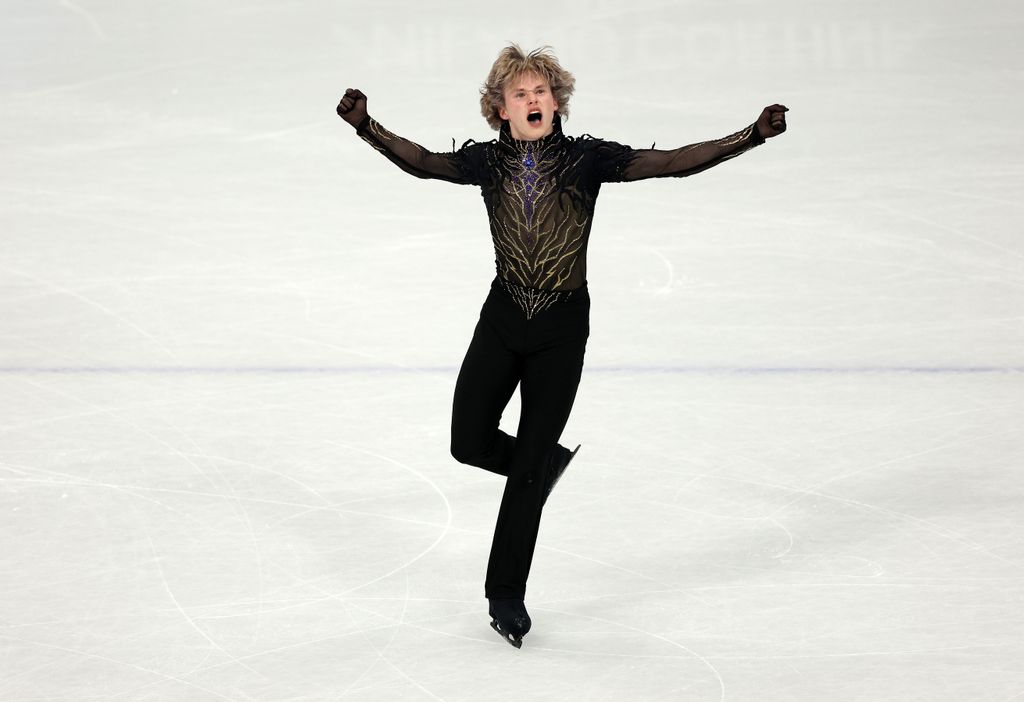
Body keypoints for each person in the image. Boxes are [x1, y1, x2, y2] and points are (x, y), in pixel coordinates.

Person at [336, 44, 788, 648]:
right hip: (502, 318)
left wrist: (750, 136)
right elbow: (423, 163)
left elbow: (674, 162)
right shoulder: (488, 165)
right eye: (520, 94)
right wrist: (367, 126)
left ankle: (506, 595)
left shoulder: (584, 160)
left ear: (558, 102)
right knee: (467, 442)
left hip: (560, 331)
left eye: (542, 91)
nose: (533, 100)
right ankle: (541, 461)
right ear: (499, 109)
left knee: (523, 477)